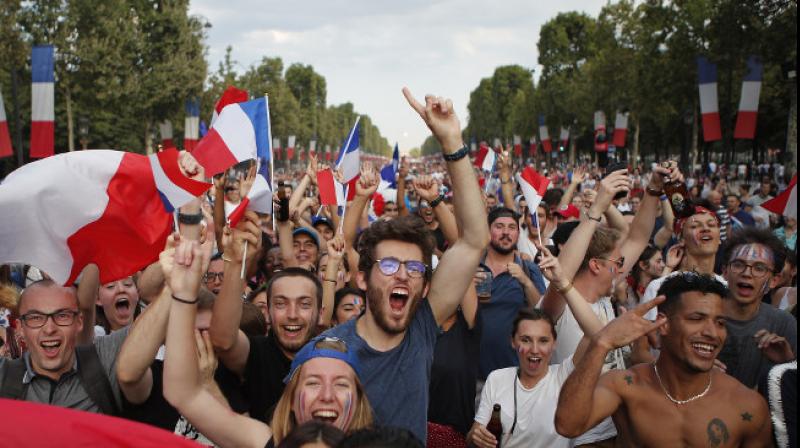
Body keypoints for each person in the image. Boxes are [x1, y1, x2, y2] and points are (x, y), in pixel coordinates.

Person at [320, 88, 489, 442]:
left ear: (425, 286)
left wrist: (452, 142)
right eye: (390, 265)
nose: (402, 274)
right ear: (362, 279)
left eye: (414, 268)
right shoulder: (325, 351)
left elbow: (473, 239)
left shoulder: (422, 328)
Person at [162, 239, 372, 448]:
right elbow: (182, 391)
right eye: (313, 383)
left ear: (360, 401)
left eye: (341, 384)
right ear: (290, 398)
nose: (327, 395)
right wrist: (182, 294)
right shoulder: (266, 442)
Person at [555, 272, 773, 447]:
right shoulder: (625, 386)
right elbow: (568, 425)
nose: (712, 333)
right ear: (663, 324)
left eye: (720, 323)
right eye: (697, 319)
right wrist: (601, 343)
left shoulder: (747, 405)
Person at [469, 247, 606, 448]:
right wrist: (475, 436)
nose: (534, 349)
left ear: (554, 344)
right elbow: (474, 432)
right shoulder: (497, 378)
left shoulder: (564, 375)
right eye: (525, 340)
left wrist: (562, 283)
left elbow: (597, 336)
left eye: (543, 341)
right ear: (513, 342)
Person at [210, 211, 323, 422]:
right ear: (268, 311)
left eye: (304, 304)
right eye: (281, 304)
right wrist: (236, 263)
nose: (292, 315)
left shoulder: (333, 357)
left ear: (321, 312)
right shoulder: (257, 352)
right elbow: (223, 342)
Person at [0, 279, 128, 414]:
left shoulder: (105, 362)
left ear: (79, 322)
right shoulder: (4, 376)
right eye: (36, 318)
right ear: (20, 328)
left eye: (62, 316)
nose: (49, 329)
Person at [717, 228, 797, 388]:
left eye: (759, 268)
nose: (747, 273)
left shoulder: (784, 324)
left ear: (774, 280)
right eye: (738, 265)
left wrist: (787, 363)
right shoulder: (700, 316)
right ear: (725, 271)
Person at [478, 207, 547, 380]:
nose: (506, 233)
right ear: (488, 231)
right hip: (470, 372)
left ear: (518, 233)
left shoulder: (528, 269)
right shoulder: (472, 266)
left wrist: (525, 281)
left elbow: (542, 313)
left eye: (511, 227)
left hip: (512, 372)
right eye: (499, 226)